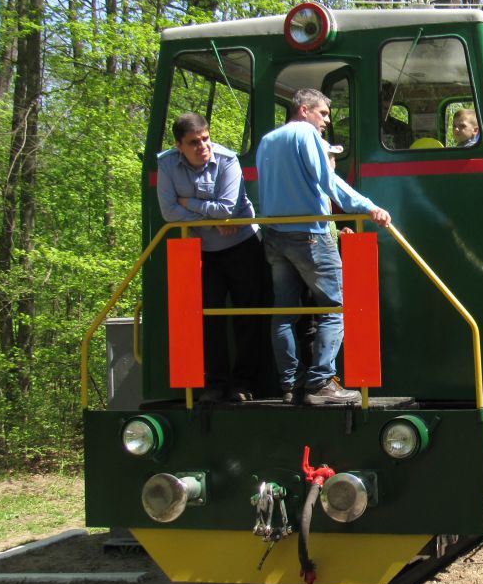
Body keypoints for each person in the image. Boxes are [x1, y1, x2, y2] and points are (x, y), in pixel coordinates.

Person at [257, 88, 392, 405]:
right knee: (335, 307)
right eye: (323, 113)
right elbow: (328, 181)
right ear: (304, 110)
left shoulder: (267, 141)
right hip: (309, 236)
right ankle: (320, 383)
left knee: (284, 313)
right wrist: (368, 207)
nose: (326, 121)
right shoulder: (305, 135)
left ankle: (290, 383)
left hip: (274, 237)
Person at [156, 112, 269, 403]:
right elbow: (168, 212)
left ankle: (245, 383)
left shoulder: (229, 160)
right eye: (194, 142)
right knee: (208, 318)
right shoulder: (166, 164)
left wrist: (189, 205)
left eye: (206, 139)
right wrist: (208, 219)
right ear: (179, 145)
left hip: (243, 245)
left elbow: (227, 210)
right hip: (203, 254)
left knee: (247, 316)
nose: (203, 146)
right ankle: (215, 384)